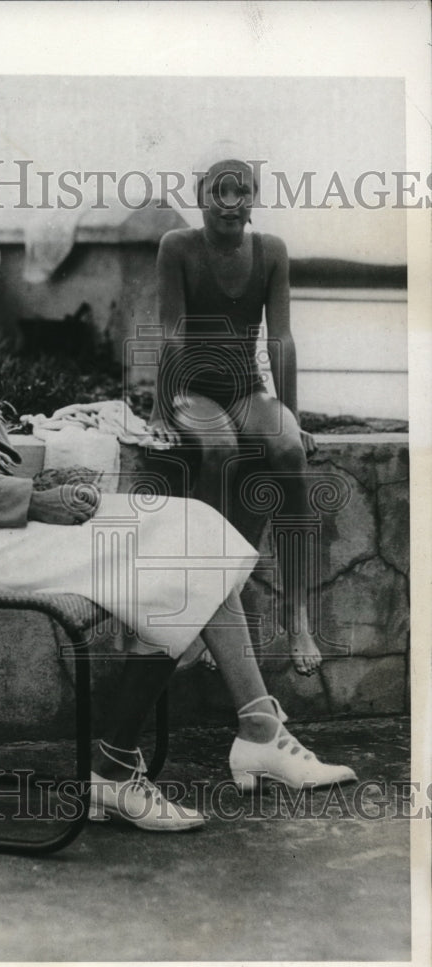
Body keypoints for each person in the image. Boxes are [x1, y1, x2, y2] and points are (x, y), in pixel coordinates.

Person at [0, 202, 356, 834]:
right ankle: (114, 773)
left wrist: (49, 481)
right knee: (175, 559)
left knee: (194, 526)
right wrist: (35, 502)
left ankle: (259, 728)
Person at [150, 144, 322, 676]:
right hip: (192, 390)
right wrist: (163, 409)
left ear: (253, 199)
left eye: (240, 190)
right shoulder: (176, 246)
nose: (229, 201)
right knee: (220, 447)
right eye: (218, 190)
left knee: (289, 448)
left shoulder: (271, 250)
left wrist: (290, 415)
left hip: (246, 389)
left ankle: (297, 616)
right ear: (200, 196)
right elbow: (173, 333)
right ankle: (203, 609)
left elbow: (282, 339)